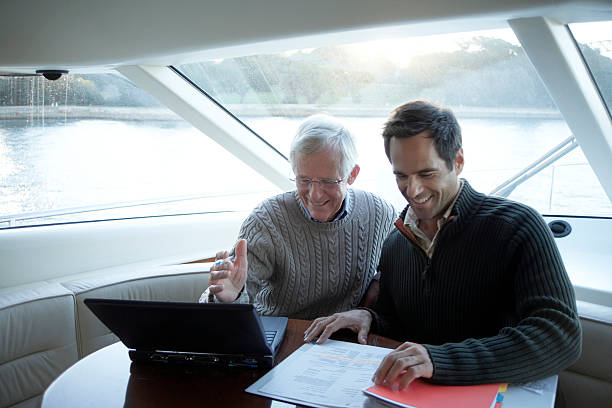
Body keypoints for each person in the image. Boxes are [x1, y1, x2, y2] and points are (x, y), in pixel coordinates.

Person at [304, 100, 582, 389]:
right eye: (401, 175)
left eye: (426, 174)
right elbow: (397, 322)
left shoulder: (518, 227)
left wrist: (438, 360)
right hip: (417, 395)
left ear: (458, 161)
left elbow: (560, 335)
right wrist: (368, 318)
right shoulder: (395, 244)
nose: (413, 191)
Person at [199, 114, 396, 320]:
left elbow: (403, 273)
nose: (315, 194)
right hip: (280, 336)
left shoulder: (380, 213)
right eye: (304, 180)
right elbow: (220, 310)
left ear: (352, 175)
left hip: (345, 339)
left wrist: (379, 281)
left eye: (328, 181)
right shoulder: (266, 221)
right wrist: (227, 299)